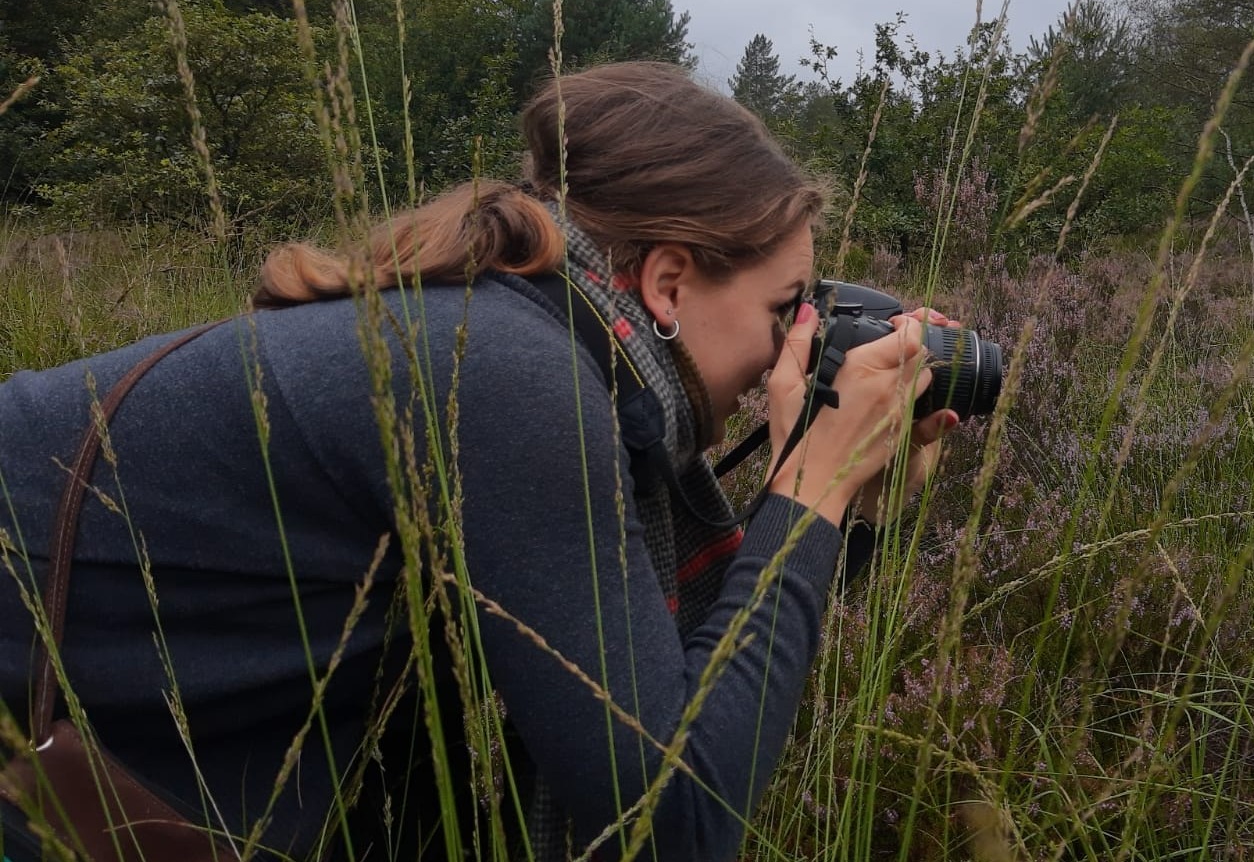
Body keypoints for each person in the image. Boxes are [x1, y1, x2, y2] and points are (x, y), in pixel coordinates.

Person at [0, 61, 960, 861]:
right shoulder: (507, 377)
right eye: (782, 306)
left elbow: (653, 683)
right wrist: (811, 488)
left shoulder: (512, 333)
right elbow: (672, 819)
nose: (791, 343)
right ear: (668, 281)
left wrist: (843, 512)